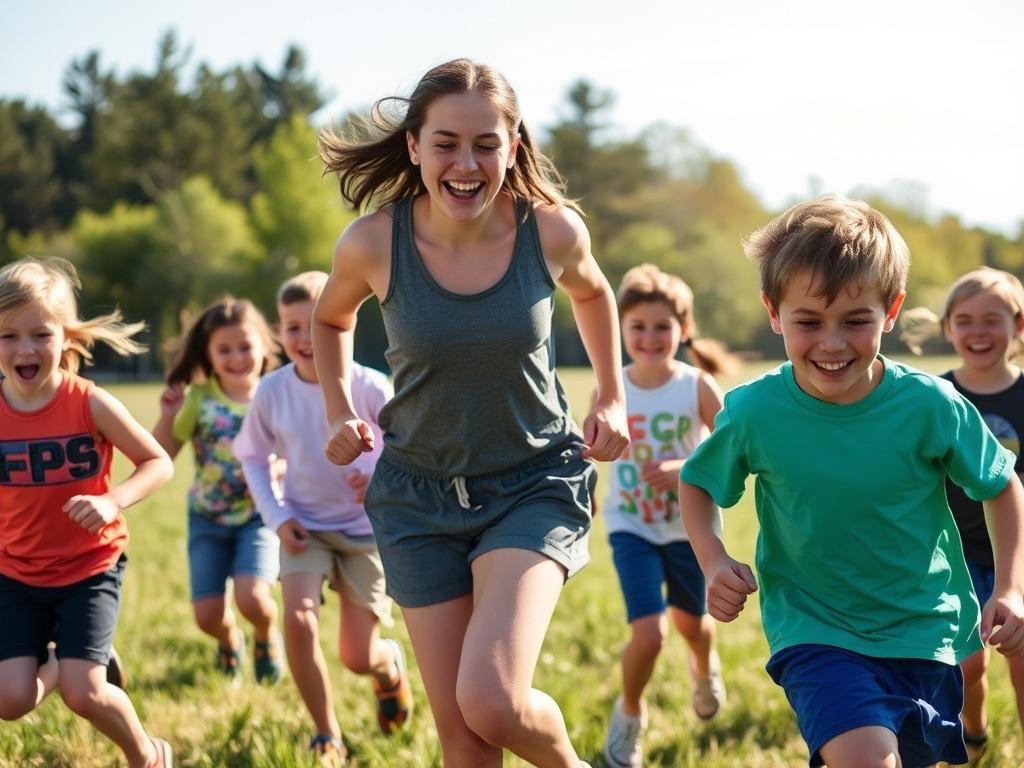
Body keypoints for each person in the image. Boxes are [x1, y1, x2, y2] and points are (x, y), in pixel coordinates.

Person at [313, 58, 629, 768]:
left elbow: (594, 294)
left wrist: (611, 392)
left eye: (486, 143)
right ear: (414, 148)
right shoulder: (372, 242)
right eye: (447, 143)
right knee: (463, 738)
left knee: (491, 700)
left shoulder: (550, 233)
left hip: (532, 483)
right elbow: (330, 320)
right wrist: (337, 408)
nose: (466, 163)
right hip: (417, 497)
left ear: (513, 145)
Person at [677, 196, 1024, 768]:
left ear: (891, 311)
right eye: (809, 322)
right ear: (773, 312)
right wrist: (713, 560)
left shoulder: (929, 405)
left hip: (926, 632)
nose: (833, 344)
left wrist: (1008, 588)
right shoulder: (755, 411)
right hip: (816, 630)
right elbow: (698, 483)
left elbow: (1000, 484)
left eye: (856, 322)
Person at [0, 257, 174, 768]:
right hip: (15, 573)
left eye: (40, 334)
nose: (25, 349)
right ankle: (59, 657)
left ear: (68, 338)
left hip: (88, 569)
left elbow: (156, 461)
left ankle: (148, 755)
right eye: (8, 336)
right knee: (10, 701)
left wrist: (111, 499)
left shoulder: (88, 403)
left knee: (84, 693)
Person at [234, 271, 411, 765]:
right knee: (298, 618)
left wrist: (377, 475)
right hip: (303, 528)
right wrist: (275, 515)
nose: (304, 338)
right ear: (278, 332)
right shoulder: (271, 392)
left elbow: (413, 449)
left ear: (344, 325)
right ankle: (326, 733)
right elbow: (251, 455)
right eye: (292, 327)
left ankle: (386, 666)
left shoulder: (371, 387)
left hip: (365, 535)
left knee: (356, 656)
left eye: (315, 324)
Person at [601, 263, 737, 768]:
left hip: (688, 530)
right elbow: (594, 442)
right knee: (649, 633)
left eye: (663, 327)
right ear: (621, 330)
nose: (650, 337)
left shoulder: (696, 385)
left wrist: (685, 467)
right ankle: (630, 712)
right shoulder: (612, 385)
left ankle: (704, 667)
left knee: (694, 626)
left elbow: (730, 448)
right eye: (638, 326)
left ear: (684, 330)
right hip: (630, 525)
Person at [902, 267, 1024, 759]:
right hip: (952, 552)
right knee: (967, 663)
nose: (978, 331)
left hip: (1016, 549)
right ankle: (973, 727)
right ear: (948, 327)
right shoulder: (934, 398)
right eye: (965, 319)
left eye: (992, 320)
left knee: (1021, 658)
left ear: (1018, 326)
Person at [152, 296, 283, 685]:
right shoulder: (198, 401)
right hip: (207, 518)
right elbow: (161, 453)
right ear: (208, 354)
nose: (237, 357)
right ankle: (229, 639)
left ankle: (264, 634)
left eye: (245, 346)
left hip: (258, 517)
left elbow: (299, 453)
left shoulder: (276, 396)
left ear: (263, 346)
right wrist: (167, 415)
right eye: (224, 349)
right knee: (207, 616)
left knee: (253, 598)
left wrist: (281, 469)